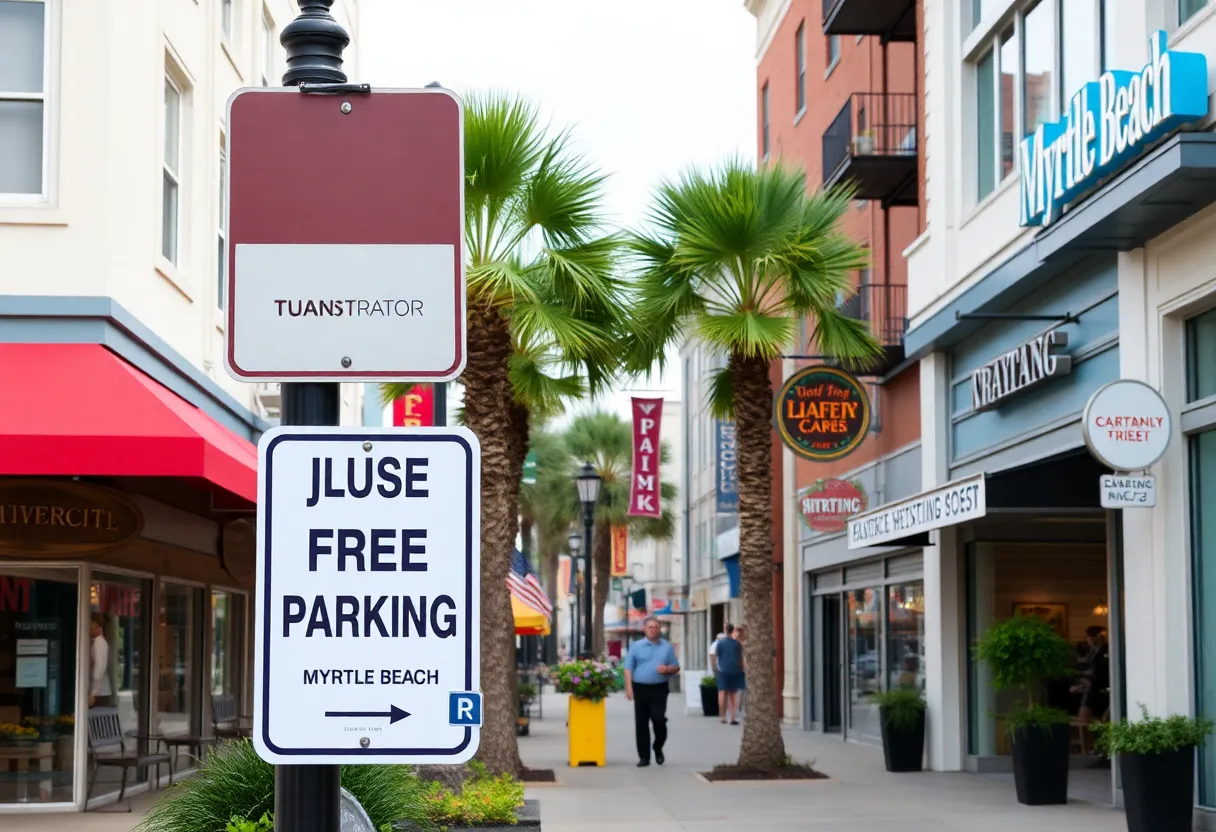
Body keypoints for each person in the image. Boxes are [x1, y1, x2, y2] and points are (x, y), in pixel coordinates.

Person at [623, 616, 680, 767]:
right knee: (641, 723)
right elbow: (628, 668)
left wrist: (667, 669)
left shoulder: (667, 647)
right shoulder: (636, 646)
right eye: (650, 627)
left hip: (659, 689)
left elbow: (676, 667)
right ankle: (644, 757)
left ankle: (658, 747)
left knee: (658, 719)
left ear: (660, 629)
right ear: (644, 629)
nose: (653, 630)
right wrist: (628, 688)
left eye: (656, 627)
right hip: (640, 688)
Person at [715, 625, 744, 725]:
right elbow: (740, 658)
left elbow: (717, 655)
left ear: (725, 631)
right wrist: (741, 667)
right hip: (735, 670)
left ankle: (723, 716)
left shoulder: (720, 643)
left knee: (722, 693)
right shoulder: (737, 644)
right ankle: (732, 717)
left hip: (722, 670)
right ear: (733, 631)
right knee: (733, 694)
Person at [89, 614, 113, 708]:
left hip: (99, 693)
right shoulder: (98, 642)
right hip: (100, 691)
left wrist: (93, 692)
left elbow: (99, 667)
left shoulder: (99, 643)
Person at [709, 625, 732, 717]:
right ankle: (725, 711)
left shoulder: (714, 645)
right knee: (727, 691)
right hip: (727, 669)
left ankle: (722, 712)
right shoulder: (724, 644)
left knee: (722, 691)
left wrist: (714, 668)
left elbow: (712, 657)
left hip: (720, 670)